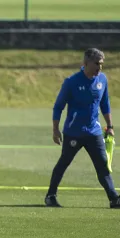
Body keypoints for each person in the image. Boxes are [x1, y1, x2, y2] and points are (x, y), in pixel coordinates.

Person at [46, 48, 120, 208]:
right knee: (64, 163)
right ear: (85, 63)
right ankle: (50, 196)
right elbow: (58, 106)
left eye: (101, 64)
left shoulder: (103, 80)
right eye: (97, 64)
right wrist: (55, 129)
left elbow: (105, 104)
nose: (99, 67)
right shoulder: (72, 82)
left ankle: (114, 198)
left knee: (102, 164)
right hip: (74, 132)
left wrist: (110, 126)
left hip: (94, 132)